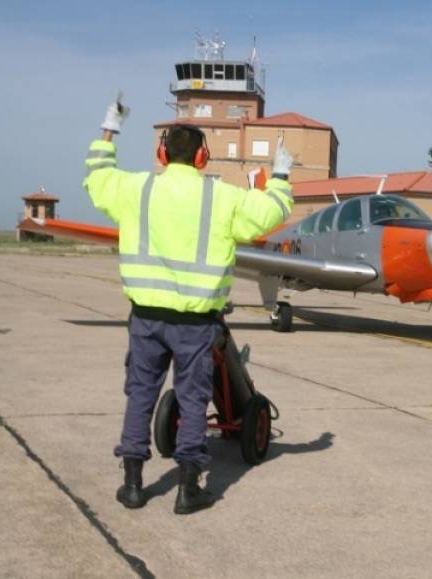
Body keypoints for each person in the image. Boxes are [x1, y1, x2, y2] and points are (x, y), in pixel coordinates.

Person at [84, 93, 294, 514]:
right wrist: (281, 173)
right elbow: (272, 213)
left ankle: (132, 485)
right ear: (202, 158)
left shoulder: (137, 189)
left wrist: (110, 128)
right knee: (193, 399)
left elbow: (98, 178)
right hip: (196, 324)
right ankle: (187, 489)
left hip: (145, 319)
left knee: (140, 396)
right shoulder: (222, 197)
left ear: (161, 155)